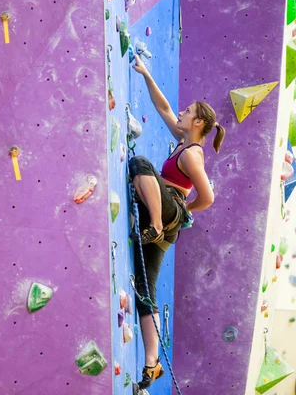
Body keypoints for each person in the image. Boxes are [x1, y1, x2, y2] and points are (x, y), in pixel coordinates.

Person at [129, 54, 225, 390]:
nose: (182, 113)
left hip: (168, 214)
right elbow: (164, 108)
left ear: (198, 123)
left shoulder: (190, 154)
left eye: (189, 112)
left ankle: (154, 221)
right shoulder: (184, 142)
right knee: (145, 290)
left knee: (139, 163)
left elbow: (208, 196)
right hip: (170, 220)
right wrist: (146, 74)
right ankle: (152, 364)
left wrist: (184, 213)